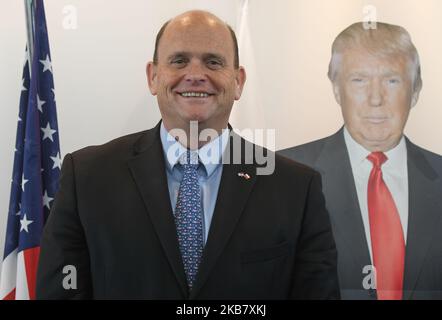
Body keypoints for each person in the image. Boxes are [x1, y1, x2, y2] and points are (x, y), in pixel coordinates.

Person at [36, 10, 339, 299]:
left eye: (213, 62)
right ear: (153, 76)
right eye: (179, 61)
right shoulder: (87, 177)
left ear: (238, 81)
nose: (195, 75)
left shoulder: (296, 189)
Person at [279, 22, 442, 300]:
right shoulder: (282, 177)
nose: (375, 98)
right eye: (359, 80)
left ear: (415, 91)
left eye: (392, 80)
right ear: (336, 90)